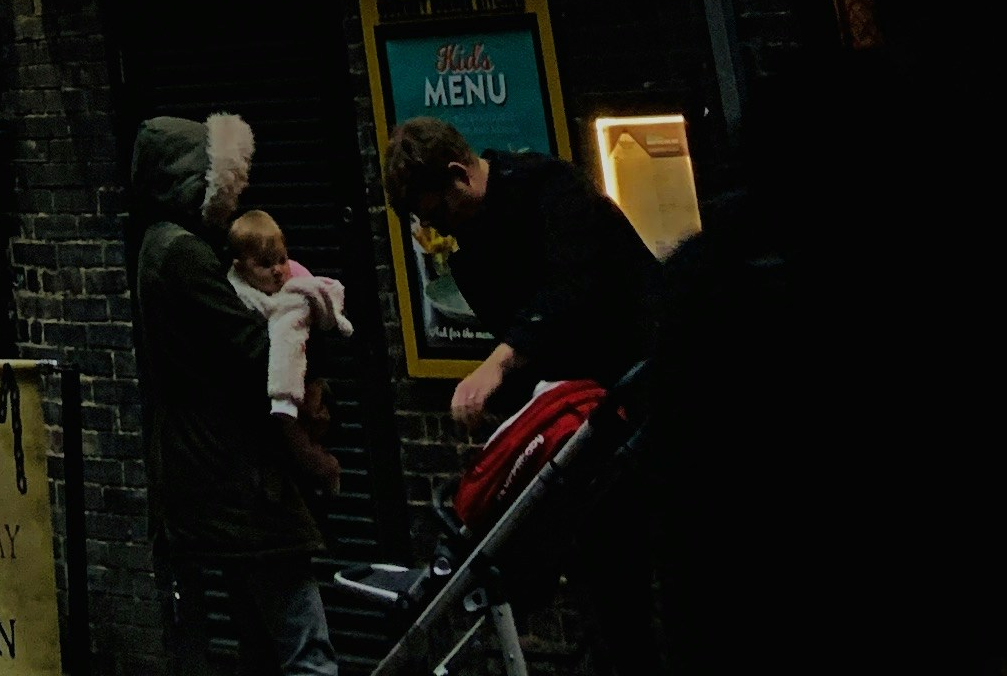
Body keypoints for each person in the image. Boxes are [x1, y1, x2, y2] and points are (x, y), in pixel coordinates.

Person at [129, 113, 337, 676]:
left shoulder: (158, 246)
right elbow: (249, 351)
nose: (237, 193)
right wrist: (303, 320)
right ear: (199, 181)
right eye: (227, 181)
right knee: (303, 644)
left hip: (203, 472)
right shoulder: (185, 255)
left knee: (260, 642)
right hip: (236, 479)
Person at [380, 117, 654, 433]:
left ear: (459, 174)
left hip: (647, 367)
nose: (438, 227)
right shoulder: (469, 255)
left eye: (439, 212)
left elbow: (571, 287)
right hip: (586, 405)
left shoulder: (549, 185)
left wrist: (497, 365)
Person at [227, 206, 351, 479]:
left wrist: (315, 383)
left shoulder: (298, 288)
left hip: (309, 387)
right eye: (264, 263)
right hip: (268, 419)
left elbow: (320, 344)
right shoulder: (240, 302)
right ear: (239, 267)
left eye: (282, 260)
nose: (277, 271)